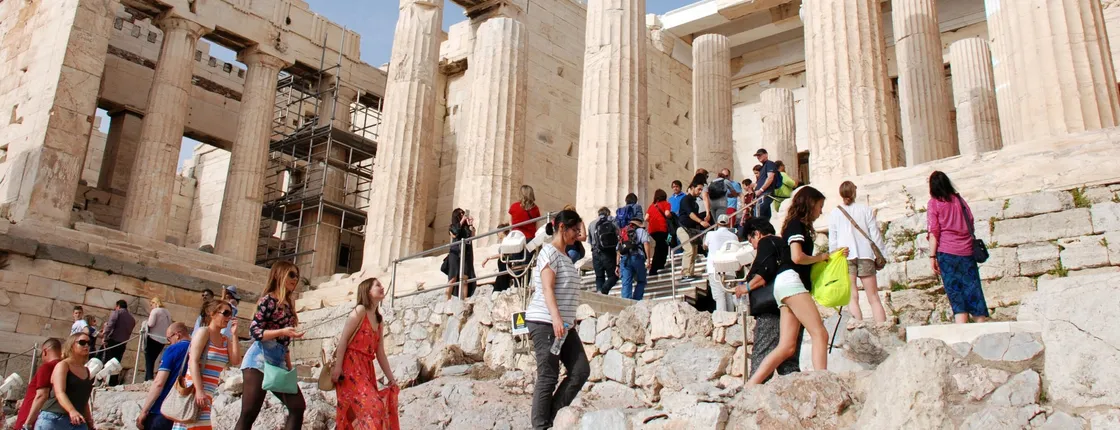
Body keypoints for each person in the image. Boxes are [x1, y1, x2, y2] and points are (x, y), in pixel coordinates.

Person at [747, 186, 842, 385]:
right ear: (810, 204)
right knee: (820, 333)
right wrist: (821, 257)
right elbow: (797, 257)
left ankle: (751, 385)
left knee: (787, 346)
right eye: (819, 206)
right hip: (792, 282)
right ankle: (822, 382)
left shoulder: (793, 225)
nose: (820, 211)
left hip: (784, 284)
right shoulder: (796, 226)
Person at [526, 210, 589, 429]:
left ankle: (550, 418)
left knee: (581, 370)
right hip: (546, 322)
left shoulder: (565, 256)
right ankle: (540, 426)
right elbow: (547, 287)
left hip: (563, 326)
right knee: (548, 375)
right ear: (562, 227)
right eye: (574, 230)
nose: (577, 235)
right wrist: (556, 318)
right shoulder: (549, 253)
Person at [236, 261, 305, 430]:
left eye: (297, 276)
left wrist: (289, 368)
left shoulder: (289, 304)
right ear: (279, 275)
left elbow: (285, 342)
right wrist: (282, 331)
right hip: (259, 360)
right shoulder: (268, 300)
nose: (295, 279)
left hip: (279, 360)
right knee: (249, 412)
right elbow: (255, 331)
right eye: (291, 275)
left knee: (297, 407)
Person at [733, 219, 803, 381]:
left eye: (751, 240)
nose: (752, 245)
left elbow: (766, 270)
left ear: (756, 233)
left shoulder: (766, 242)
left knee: (762, 352)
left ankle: (753, 393)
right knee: (789, 360)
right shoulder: (783, 244)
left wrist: (746, 288)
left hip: (770, 308)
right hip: (792, 305)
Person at [332, 278, 400, 429]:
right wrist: (338, 367)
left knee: (359, 414)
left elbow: (380, 352)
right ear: (368, 291)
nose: (382, 287)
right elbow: (343, 340)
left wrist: (391, 379)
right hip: (350, 367)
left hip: (367, 369)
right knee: (374, 406)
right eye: (378, 285)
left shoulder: (379, 319)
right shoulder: (360, 310)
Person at [927, 171, 989, 324]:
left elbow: (934, 231)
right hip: (967, 251)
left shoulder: (933, 203)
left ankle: (961, 325)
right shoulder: (959, 200)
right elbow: (971, 221)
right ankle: (980, 323)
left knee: (955, 291)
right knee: (973, 287)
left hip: (947, 253)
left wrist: (932, 256)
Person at [829, 181, 889, 326]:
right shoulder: (865, 210)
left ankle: (858, 327)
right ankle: (882, 327)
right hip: (865, 255)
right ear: (854, 193)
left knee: (852, 296)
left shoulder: (835, 213)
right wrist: (882, 255)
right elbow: (875, 235)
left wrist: (832, 257)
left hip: (845, 256)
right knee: (873, 296)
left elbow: (833, 240)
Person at [176, 300, 241, 430]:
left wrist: (234, 335)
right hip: (194, 392)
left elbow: (236, 361)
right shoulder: (203, 332)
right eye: (226, 313)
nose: (229, 317)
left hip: (208, 395)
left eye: (231, 313)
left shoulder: (224, 340)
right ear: (212, 314)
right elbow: (192, 361)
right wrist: (199, 391)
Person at [136, 323, 191, 430]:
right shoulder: (198, 350)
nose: (169, 342)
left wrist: (144, 410)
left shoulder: (173, 349)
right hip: (185, 412)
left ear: (177, 335)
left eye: (169, 338)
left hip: (163, 409)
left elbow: (159, 383)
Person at [37, 333, 95, 430]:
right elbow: (59, 392)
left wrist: (89, 420)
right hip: (54, 418)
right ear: (72, 345)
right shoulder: (63, 365)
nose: (86, 345)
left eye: (89, 343)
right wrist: (72, 410)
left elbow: (84, 399)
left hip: (77, 420)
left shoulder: (86, 370)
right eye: (82, 342)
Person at [13, 338, 62, 430]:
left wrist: (27, 423)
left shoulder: (47, 367)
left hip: (34, 417)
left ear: (44, 351)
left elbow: (41, 396)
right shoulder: (66, 368)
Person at [704, 214, 741, 312]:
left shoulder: (710, 234)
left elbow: (705, 246)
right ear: (728, 224)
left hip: (715, 269)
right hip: (730, 269)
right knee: (729, 295)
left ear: (717, 223)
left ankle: (722, 320)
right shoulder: (734, 236)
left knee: (719, 297)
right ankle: (732, 319)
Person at [676, 182, 710, 278]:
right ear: (692, 187)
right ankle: (685, 273)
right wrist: (701, 221)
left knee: (694, 252)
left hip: (692, 229)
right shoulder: (685, 199)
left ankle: (690, 273)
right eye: (698, 189)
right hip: (683, 228)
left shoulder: (694, 203)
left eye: (701, 189)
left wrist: (704, 219)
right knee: (689, 250)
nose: (700, 192)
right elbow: (690, 214)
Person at [102, 299, 136, 386]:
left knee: (108, 361)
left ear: (118, 306)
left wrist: (105, 337)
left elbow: (110, 325)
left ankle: (105, 381)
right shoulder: (132, 319)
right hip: (122, 343)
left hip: (113, 340)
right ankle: (113, 381)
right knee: (116, 362)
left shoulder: (117, 313)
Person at [616, 218, 652, 300]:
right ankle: (636, 301)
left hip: (624, 258)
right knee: (641, 280)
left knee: (626, 282)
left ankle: (626, 302)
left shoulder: (623, 232)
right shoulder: (641, 231)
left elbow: (618, 250)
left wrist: (617, 265)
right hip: (637, 257)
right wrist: (648, 260)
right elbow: (646, 244)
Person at [446, 208, 477, 300]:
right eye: (461, 214)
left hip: (466, 252)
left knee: (465, 278)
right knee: (453, 277)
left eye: (463, 213)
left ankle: (463, 300)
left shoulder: (467, 227)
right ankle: (447, 299)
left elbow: (472, 236)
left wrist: (470, 224)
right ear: (456, 216)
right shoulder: (452, 226)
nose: (463, 215)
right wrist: (462, 220)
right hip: (456, 253)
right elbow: (454, 234)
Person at [587, 207, 620, 294]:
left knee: (599, 276)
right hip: (609, 252)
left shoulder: (591, 224)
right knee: (613, 276)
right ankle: (604, 290)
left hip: (595, 252)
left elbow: (590, 241)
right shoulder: (611, 221)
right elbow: (618, 233)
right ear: (608, 213)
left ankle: (599, 292)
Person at [144, 297, 172, 381]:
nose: (151, 306)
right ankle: (147, 378)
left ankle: (149, 378)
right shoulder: (167, 312)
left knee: (149, 359)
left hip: (153, 337)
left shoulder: (155, 311)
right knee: (153, 359)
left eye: (151, 304)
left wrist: (145, 323)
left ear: (154, 303)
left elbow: (151, 324)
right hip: (162, 339)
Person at [482, 223, 516, 292]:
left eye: (498, 232)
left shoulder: (507, 240)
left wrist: (489, 258)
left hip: (504, 265)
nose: (497, 234)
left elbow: (503, 254)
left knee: (501, 287)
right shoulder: (505, 240)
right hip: (502, 266)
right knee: (500, 287)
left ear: (502, 232)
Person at [646, 189, 673, 276]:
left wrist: (652, 220)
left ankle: (660, 264)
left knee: (662, 245)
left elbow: (646, 218)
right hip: (662, 228)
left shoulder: (651, 206)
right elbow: (667, 214)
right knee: (661, 246)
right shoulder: (666, 204)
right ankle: (654, 269)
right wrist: (671, 216)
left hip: (652, 230)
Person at [752, 149, 780, 221]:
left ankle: (758, 231)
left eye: (760, 155)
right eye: (757, 156)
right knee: (765, 217)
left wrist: (761, 190)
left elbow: (770, 178)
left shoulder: (770, 164)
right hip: (762, 194)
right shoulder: (763, 166)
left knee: (758, 214)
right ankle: (766, 231)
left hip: (765, 194)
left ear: (766, 155)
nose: (758, 157)